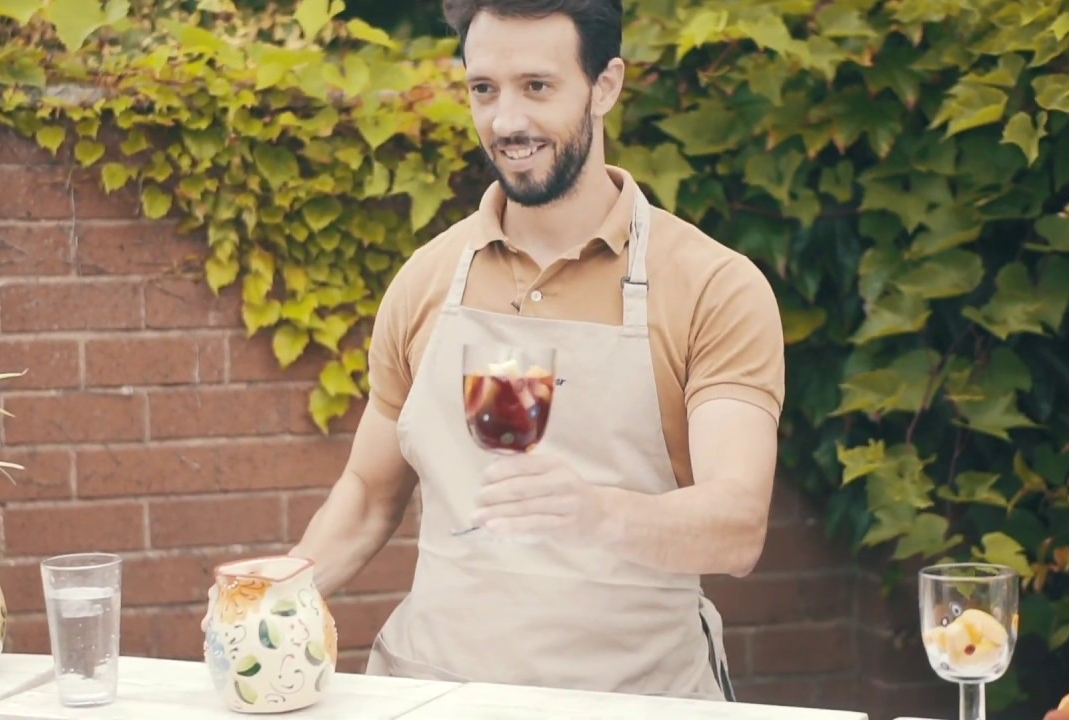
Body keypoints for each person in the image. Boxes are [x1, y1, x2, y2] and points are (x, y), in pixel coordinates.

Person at [208, 0, 785, 702]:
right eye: (485, 89)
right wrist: (277, 592)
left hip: (633, 698)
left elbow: (736, 526)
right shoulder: (427, 279)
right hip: (432, 693)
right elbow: (366, 495)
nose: (506, 121)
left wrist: (596, 513)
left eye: (537, 87)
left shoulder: (712, 287)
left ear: (605, 85)